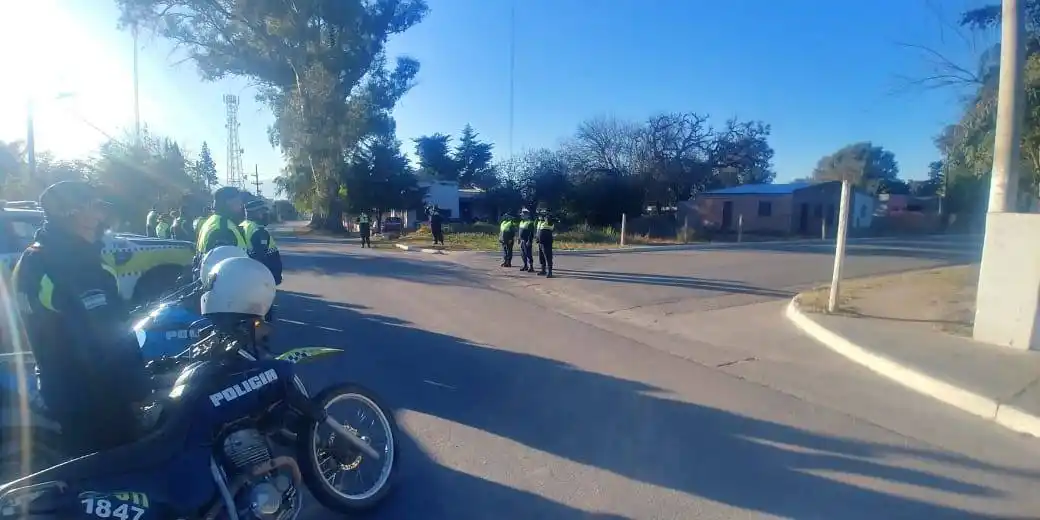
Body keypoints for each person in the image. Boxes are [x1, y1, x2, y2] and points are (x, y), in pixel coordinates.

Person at [13, 181, 153, 456]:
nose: (101, 214)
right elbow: (103, 339)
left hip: (72, 390)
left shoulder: (47, 256)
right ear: (70, 212)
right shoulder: (63, 263)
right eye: (94, 206)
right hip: (93, 396)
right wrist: (136, 388)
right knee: (118, 474)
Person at [240, 199, 283, 286]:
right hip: (262, 279)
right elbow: (261, 258)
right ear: (254, 213)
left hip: (248, 276)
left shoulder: (242, 225)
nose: (266, 214)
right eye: (263, 211)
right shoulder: (258, 231)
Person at [195, 187, 247, 258]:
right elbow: (223, 264)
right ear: (228, 203)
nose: (241, 206)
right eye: (238, 202)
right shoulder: (223, 228)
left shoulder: (212, 220)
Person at [536, 211, 555, 278]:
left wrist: (546, 216)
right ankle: (543, 270)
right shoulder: (540, 222)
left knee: (548, 257)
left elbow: (550, 221)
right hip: (541, 242)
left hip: (547, 242)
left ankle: (550, 272)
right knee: (541, 257)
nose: (539, 216)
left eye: (541, 215)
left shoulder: (549, 221)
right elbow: (538, 232)